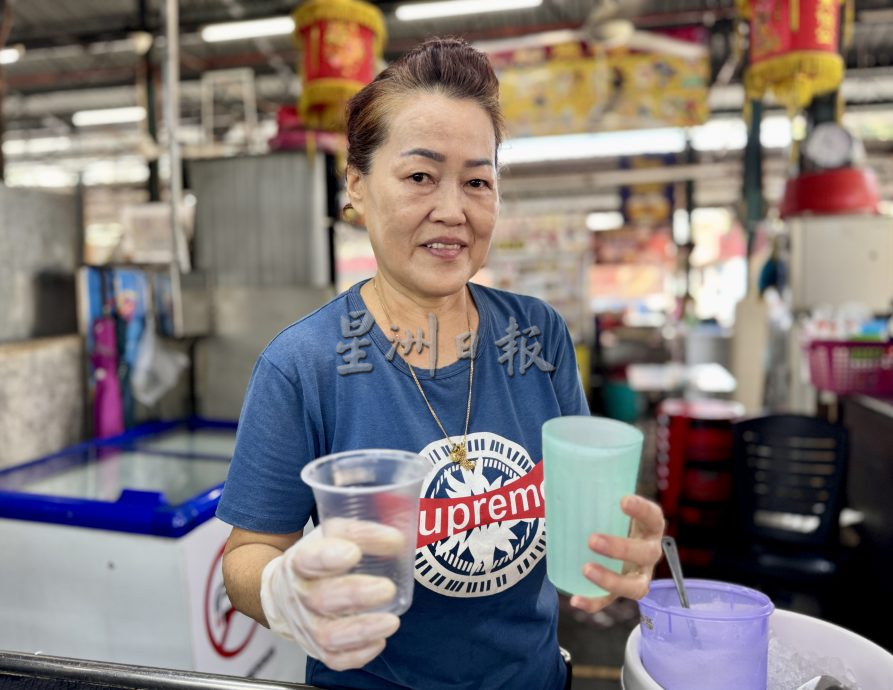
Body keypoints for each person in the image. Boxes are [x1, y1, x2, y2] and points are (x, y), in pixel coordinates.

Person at [217, 37, 665, 690]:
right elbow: (248, 553)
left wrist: (623, 539)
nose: (452, 210)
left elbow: (579, 493)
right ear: (358, 189)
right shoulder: (304, 364)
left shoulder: (535, 334)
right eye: (420, 176)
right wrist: (282, 592)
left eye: (477, 181)